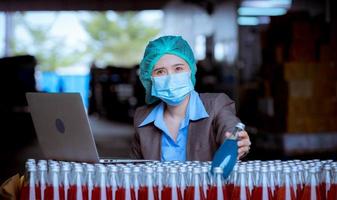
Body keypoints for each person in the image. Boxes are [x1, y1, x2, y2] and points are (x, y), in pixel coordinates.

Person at [131, 35, 251, 161]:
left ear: (191, 69)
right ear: (150, 78)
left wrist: (237, 143)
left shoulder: (216, 104)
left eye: (178, 68)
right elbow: (137, 171)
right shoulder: (142, 118)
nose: (171, 77)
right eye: (160, 71)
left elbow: (229, 128)